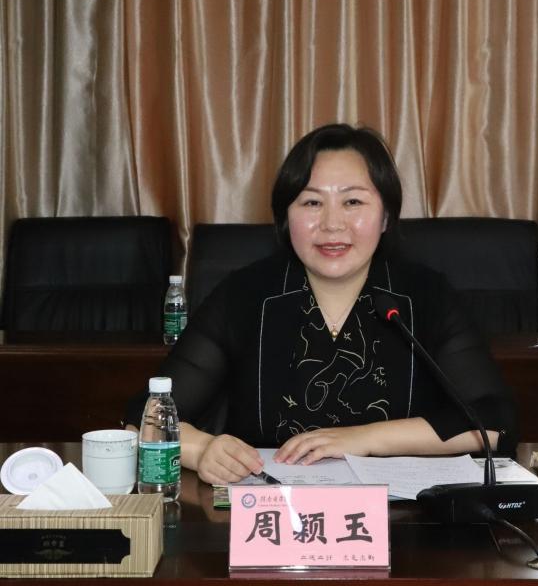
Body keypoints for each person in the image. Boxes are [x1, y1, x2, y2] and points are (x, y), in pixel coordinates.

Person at [126, 123, 517, 485]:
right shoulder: (245, 295)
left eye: (353, 202)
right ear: (285, 218)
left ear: (385, 216)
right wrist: (202, 450)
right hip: (270, 514)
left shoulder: (425, 296)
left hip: (401, 520)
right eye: (312, 203)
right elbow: (144, 414)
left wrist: (365, 439)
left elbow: (494, 423)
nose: (332, 224)